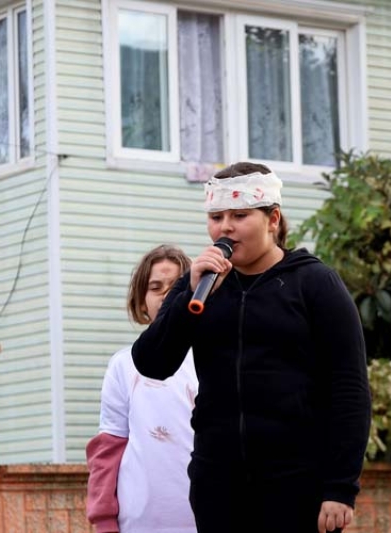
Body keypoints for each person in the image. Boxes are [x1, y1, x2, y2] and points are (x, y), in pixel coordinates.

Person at [132, 162, 372, 533]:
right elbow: (152, 363)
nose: (225, 227)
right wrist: (187, 296)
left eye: (240, 215)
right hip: (218, 484)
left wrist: (341, 486)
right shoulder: (198, 284)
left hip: (299, 484)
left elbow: (350, 387)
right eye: (216, 217)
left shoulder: (314, 282)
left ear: (273, 219)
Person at [86, 244, 197, 533]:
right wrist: (104, 519)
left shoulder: (214, 358)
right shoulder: (123, 365)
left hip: (207, 517)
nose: (166, 294)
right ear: (141, 301)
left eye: (176, 286)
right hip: (138, 521)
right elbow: (108, 448)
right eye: (155, 287)